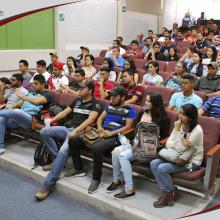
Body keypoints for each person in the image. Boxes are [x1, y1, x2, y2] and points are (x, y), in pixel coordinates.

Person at [35, 80, 102, 200]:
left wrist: (75, 131)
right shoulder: (77, 100)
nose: (79, 90)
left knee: (63, 151)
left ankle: (47, 185)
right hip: (68, 128)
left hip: (81, 132)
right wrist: (51, 120)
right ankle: (57, 161)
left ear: (90, 91)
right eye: (79, 88)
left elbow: (90, 120)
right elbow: (65, 112)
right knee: (44, 132)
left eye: (83, 88)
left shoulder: (96, 103)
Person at [68, 86, 137, 194]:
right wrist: (100, 128)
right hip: (102, 132)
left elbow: (128, 127)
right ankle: (78, 169)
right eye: (111, 96)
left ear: (123, 97)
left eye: (115, 96)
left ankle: (96, 179)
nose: (111, 98)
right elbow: (100, 118)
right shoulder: (110, 106)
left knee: (97, 148)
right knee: (73, 140)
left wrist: (111, 133)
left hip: (116, 136)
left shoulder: (130, 110)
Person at [107, 92, 170, 199]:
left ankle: (129, 189)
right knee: (115, 152)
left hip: (147, 148)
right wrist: (126, 138)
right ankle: (117, 180)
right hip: (135, 143)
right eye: (146, 100)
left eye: (149, 101)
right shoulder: (142, 113)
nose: (146, 102)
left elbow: (164, 137)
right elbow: (135, 130)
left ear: (156, 103)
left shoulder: (163, 119)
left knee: (123, 156)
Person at [151, 104, 203, 208]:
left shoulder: (197, 130)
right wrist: (176, 134)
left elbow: (183, 147)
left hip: (191, 161)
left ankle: (168, 194)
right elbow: (169, 143)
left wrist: (177, 132)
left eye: (183, 114)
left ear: (191, 117)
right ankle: (169, 191)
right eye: (179, 112)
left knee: (162, 168)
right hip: (176, 156)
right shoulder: (180, 125)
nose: (179, 116)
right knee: (153, 163)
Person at [0, 74, 53, 154]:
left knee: (17, 112)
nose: (33, 86)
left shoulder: (47, 94)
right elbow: (18, 104)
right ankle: (1, 147)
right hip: (20, 118)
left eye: (36, 84)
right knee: (1, 119)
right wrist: (10, 108)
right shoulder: (32, 93)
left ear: (42, 84)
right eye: (33, 84)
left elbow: (36, 102)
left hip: (31, 119)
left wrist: (21, 96)